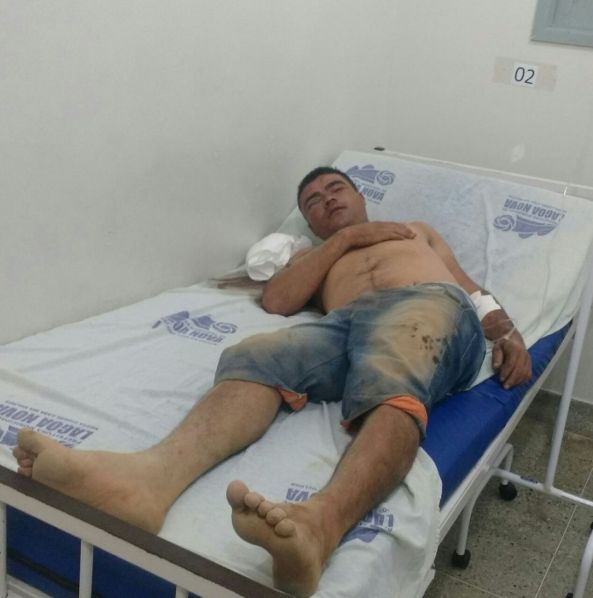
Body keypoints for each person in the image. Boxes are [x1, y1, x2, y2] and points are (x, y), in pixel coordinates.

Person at [13, 166, 532, 597]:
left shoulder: (416, 230)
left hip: (428, 308)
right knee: (254, 354)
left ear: (360, 196)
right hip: (346, 324)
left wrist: (506, 331)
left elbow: (472, 290)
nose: (327, 200)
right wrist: (344, 241)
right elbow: (279, 302)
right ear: (309, 221)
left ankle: (320, 526)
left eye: (336, 189)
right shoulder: (314, 256)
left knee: (394, 362)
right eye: (313, 202)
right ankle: (147, 483)